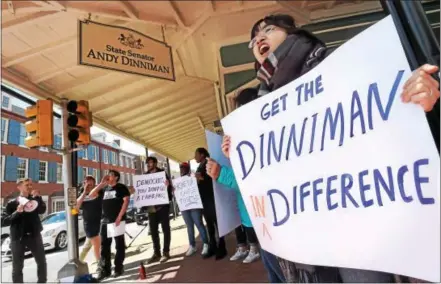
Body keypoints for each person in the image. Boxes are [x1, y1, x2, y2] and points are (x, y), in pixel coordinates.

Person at [245, 13, 440, 283]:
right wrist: (241, 149)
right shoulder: (259, 105)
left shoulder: (337, 65)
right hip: (303, 234)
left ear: (292, 33)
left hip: (356, 224)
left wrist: (417, 97)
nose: (260, 38)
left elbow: (382, 102)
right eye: (254, 39)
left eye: (268, 29)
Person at [89, 170, 130, 280]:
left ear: (116, 177)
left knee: (119, 245)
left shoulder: (121, 188)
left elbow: (126, 202)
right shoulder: (104, 188)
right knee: (104, 247)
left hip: (117, 220)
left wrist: (119, 217)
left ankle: (118, 268)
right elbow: (91, 194)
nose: (108, 176)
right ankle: (105, 270)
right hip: (105, 221)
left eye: (111, 175)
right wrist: (101, 184)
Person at [5, 178, 47, 283]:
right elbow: (4, 221)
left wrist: (39, 198)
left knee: (42, 263)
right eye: (27, 185)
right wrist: (17, 212)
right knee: (18, 267)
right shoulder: (11, 203)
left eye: (31, 185)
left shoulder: (35, 200)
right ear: (19, 187)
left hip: (35, 235)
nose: (30, 187)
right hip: (18, 238)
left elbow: (42, 211)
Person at [194, 147, 227, 260]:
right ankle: (212, 247)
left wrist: (201, 178)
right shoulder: (199, 167)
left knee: (217, 225)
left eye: (196, 154)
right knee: (209, 226)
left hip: (212, 199)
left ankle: (222, 248)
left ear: (202, 155)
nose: (195, 157)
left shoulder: (209, 163)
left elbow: (214, 178)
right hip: (204, 201)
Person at [145, 156, 173, 264]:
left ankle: (166, 252)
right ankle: (156, 253)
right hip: (152, 208)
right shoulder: (145, 176)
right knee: (153, 231)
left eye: (151, 163)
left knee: (166, 229)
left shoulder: (162, 173)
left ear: (155, 163)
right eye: (147, 163)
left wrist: (168, 185)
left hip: (162, 206)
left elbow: (169, 186)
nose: (149, 165)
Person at [178, 162, 209, 257]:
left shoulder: (193, 176)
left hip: (194, 205)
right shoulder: (178, 181)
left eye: (184, 167)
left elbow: (201, 180)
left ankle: (206, 243)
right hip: (185, 206)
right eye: (180, 168)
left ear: (188, 168)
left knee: (199, 223)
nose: (182, 169)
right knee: (189, 226)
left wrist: (197, 177)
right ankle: (192, 245)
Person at [76, 175, 103, 264]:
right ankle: (99, 264)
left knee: (87, 247)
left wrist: (100, 184)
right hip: (89, 225)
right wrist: (84, 192)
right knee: (96, 246)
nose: (88, 185)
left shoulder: (98, 192)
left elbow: (94, 193)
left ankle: (78, 262)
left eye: (91, 183)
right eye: (87, 183)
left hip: (99, 223)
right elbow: (75, 208)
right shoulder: (82, 194)